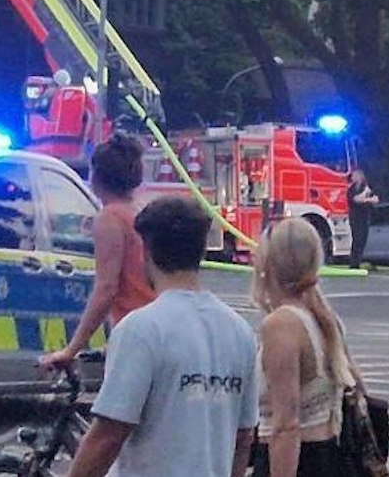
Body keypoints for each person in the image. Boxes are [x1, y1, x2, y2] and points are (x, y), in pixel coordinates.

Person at [69, 195, 258, 477]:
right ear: (202, 251)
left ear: (146, 251)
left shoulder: (141, 330)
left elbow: (108, 435)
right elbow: (243, 437)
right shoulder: (239, 332)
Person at [40, 132, 156, 373]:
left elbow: (106, 288)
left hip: (132, 329)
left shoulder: (109, 218)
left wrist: (71, 349)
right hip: (152, 326)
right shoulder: (137, 214)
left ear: (97, 177)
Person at [252, 217, 359, 477]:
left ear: (269, 265)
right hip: (330, 454)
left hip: (297, 461)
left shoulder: (282, 323)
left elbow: (286, 425)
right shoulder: (324, 318)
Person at [345, 168, 379, 267]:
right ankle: (353, 263)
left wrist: (367, 199)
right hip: (355, 218)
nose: (352, 177)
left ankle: (358, 262)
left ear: (360, 176)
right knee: (357, 239)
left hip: (365, 218)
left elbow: (375, 199)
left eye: (355, 175)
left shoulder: (366, 187)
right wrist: (365, 194)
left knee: (363, 240)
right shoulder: (352, 189)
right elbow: (356, 200)